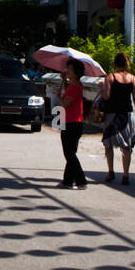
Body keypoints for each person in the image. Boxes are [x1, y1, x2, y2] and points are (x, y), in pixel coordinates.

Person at [99, 51, 135, 185]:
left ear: (115, 63)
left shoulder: (110, 77)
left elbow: (106, 97)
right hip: (127, 115)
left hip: (112, 115)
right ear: (127, 63)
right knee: (126, 147)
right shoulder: (133, 79)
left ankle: (111, 172)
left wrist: (102, 89)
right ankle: (125, 175)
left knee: (108, 144)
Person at [57, 59, 88, 189]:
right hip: (74, 122)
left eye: (69, 70)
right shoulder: (76, 85)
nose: (67, 71)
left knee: (69, 153)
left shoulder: (75, 87)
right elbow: (67, 89)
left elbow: (64, 104)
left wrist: (58, 97)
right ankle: (67, 181)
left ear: (75, 73)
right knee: (71, 153)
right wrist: (64, 81)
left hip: (71, 123)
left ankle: (81, 180)